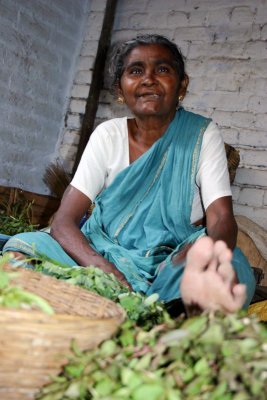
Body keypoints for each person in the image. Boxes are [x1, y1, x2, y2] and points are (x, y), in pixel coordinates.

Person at [3, 34, 255, 313]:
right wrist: (106, 271)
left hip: (168, 261)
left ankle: (157, 314)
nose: (148, 79)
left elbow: (220, 217)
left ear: (181, 85)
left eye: (162, 69)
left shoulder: (201, 134)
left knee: (229, 270)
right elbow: (64, 222)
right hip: (102, 251)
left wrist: (209, 253)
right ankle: (116, 306)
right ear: (120, 90)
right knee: (20, 249)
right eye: (136, 71)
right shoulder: (107, 135)